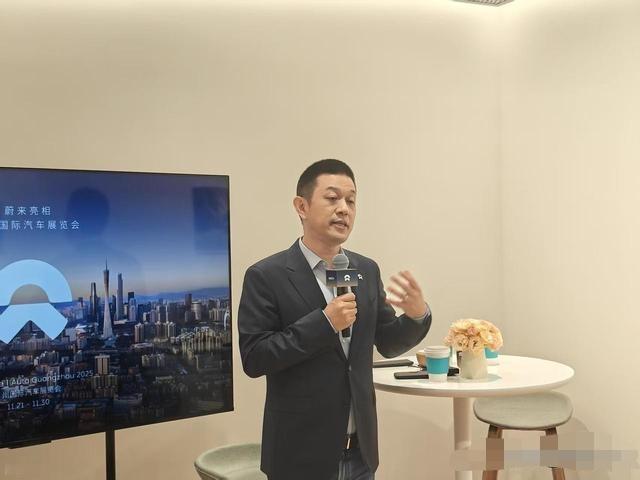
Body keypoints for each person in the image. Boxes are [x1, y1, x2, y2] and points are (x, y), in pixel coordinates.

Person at [238, 159, 432, 480]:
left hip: (360, 454)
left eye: (351, 201)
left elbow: (387, 341)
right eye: (332, 198)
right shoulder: (267, 276)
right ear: (301, 206)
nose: (344, 209)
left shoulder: (363, 269)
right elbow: (255, 357)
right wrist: (324, 323)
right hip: (299, 457)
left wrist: (416, 315)